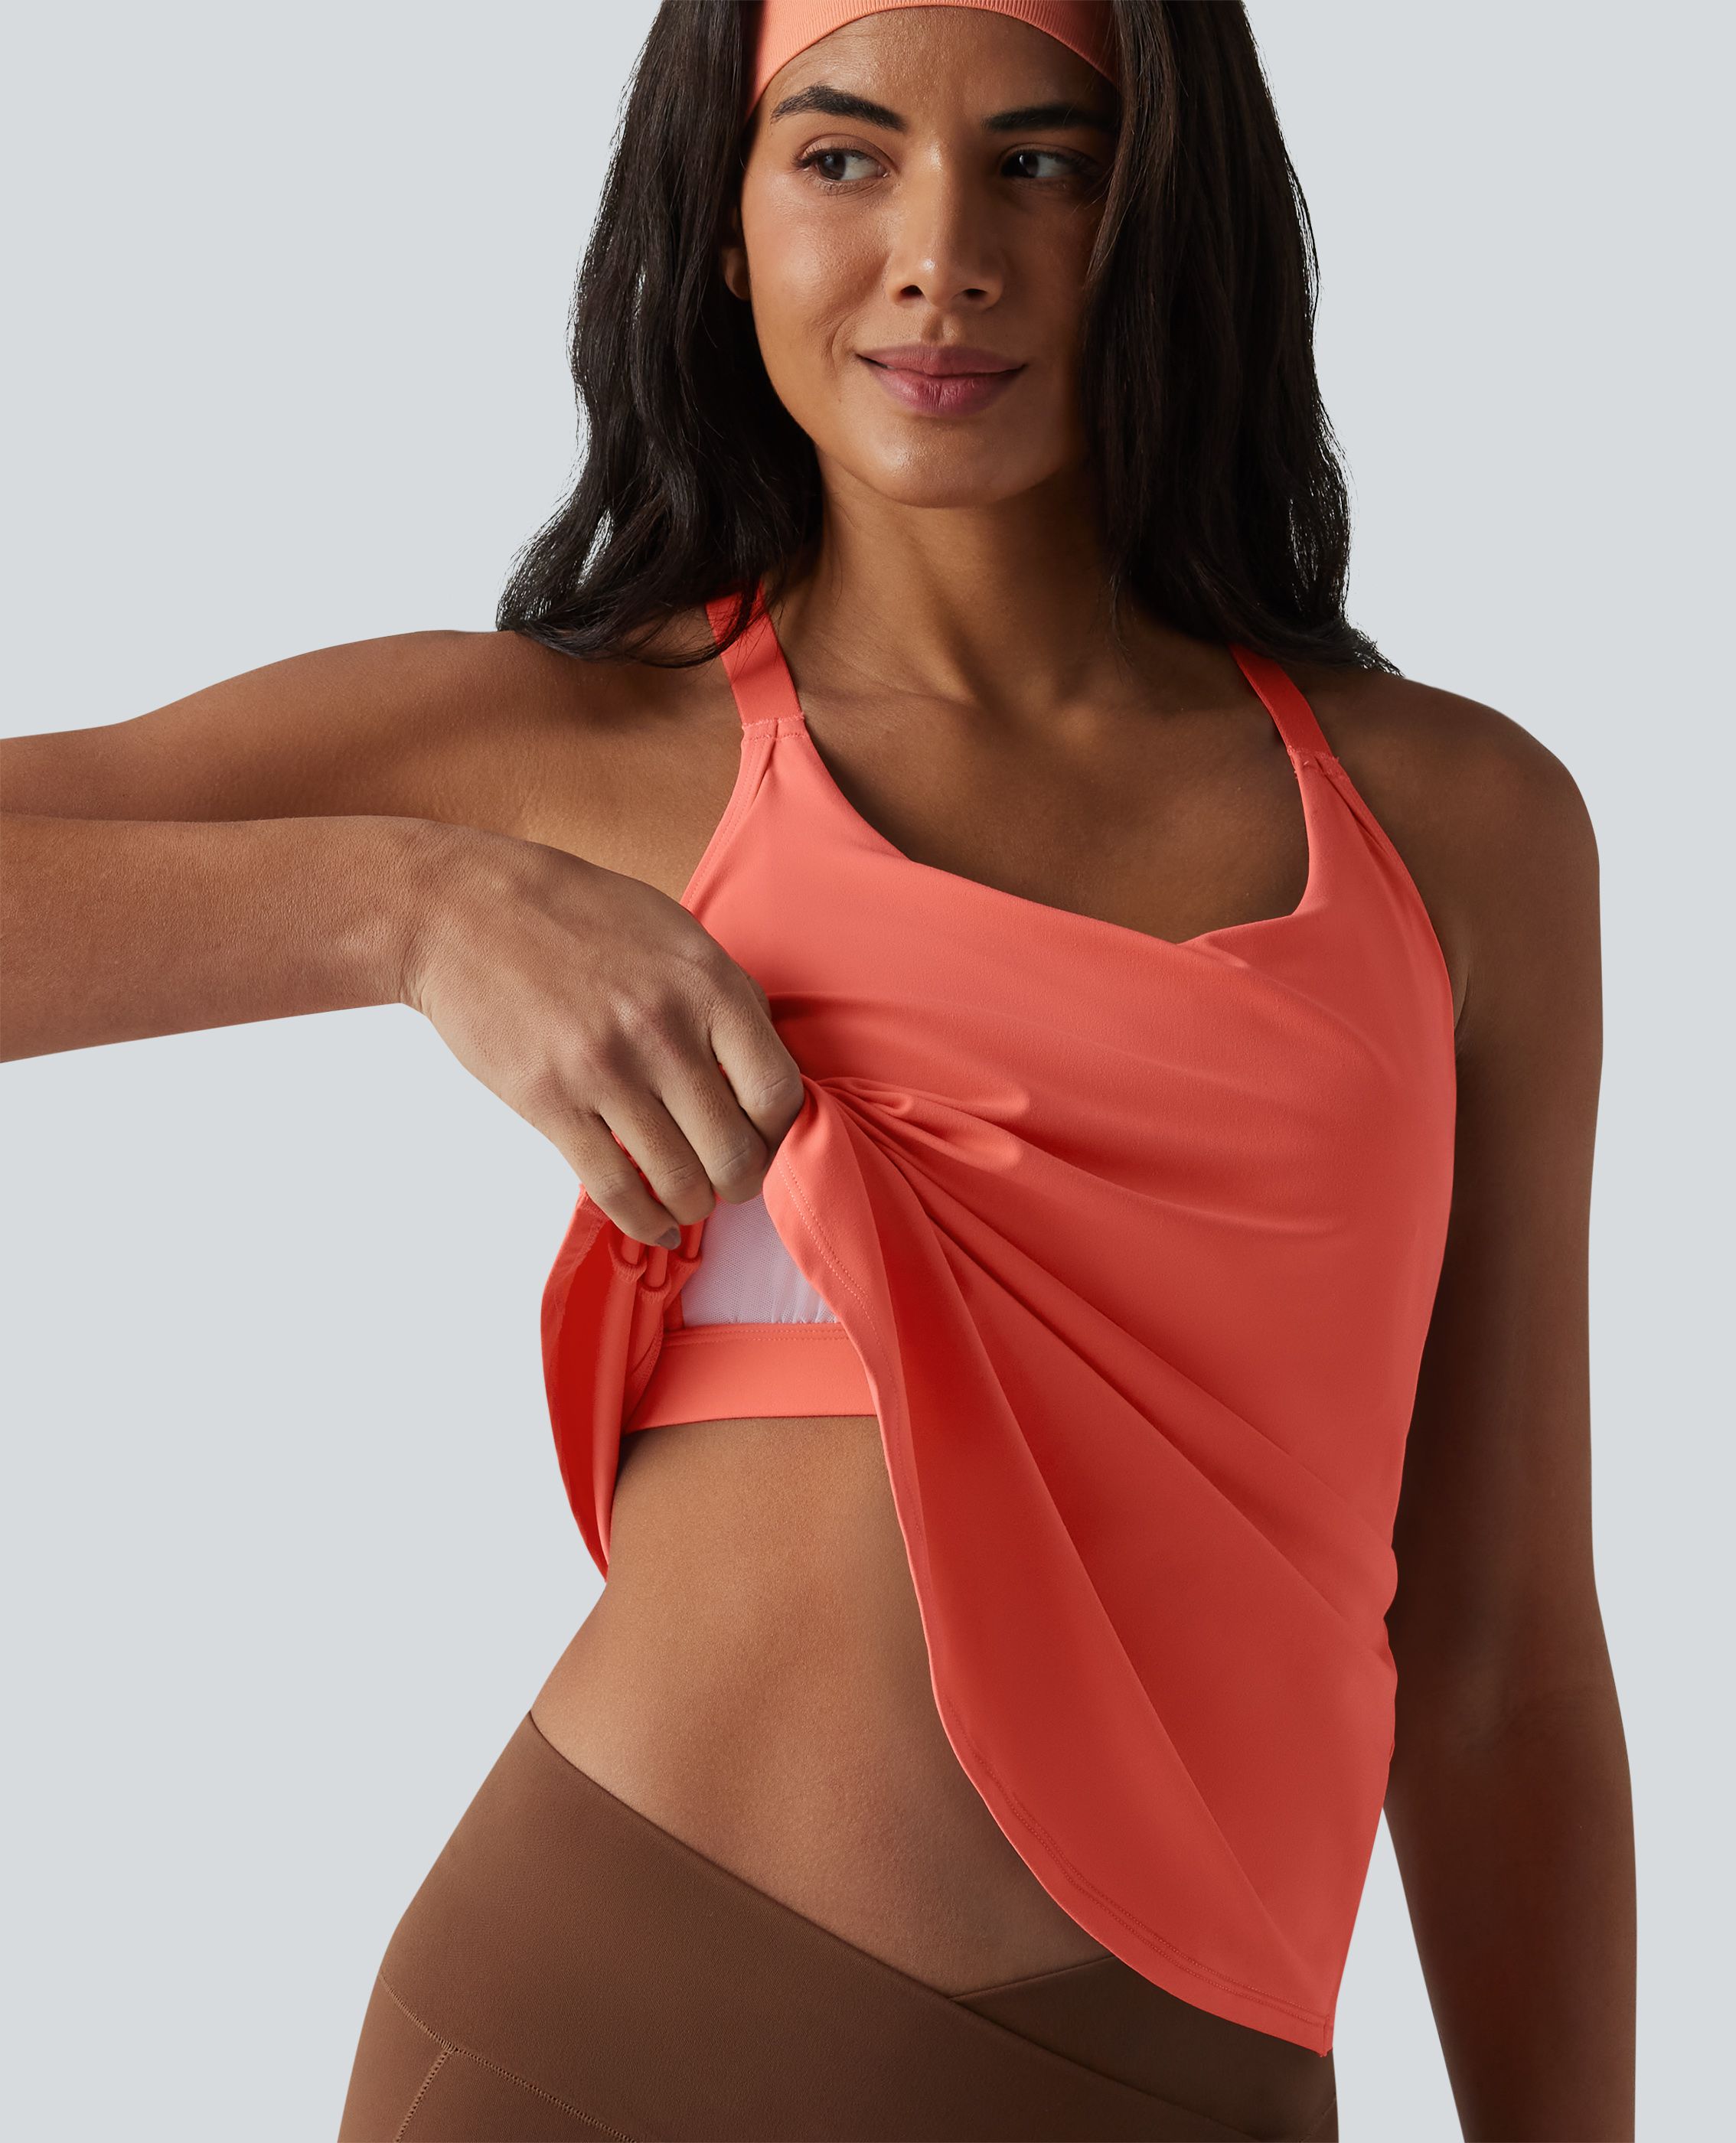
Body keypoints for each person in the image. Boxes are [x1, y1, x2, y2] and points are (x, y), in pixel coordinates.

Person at [0, 2, 1634, 2136]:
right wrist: (408, 906)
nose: (942, 255)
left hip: (1197, 2085)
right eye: (842, 157)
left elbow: (1502, 1661)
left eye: (1045, 163)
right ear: (722, 218)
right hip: (600, 2049)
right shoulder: (590, 748)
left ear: (1171, 213)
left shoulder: (1462, 830)